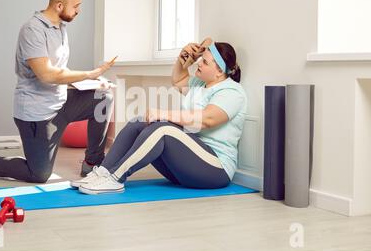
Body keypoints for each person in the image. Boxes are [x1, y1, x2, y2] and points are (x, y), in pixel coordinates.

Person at [0, 0, 115, 183]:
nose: (79, 10)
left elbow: (60, 71)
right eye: (76, 6)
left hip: (61, 104)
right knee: (39, 175)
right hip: (37, 115)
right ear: (59, 6)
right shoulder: (32, 30)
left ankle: (92, 164)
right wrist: (88, 74)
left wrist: (91, 82)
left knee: (103, 97)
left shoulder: (60, 28)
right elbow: (46, 75)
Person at [71, 40, 247, 194]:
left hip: (215, 169)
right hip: (190, 165)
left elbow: (207, 119)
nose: (199, 63)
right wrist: (182, 58)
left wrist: (163, 114)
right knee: (140, 122)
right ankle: (103, 172)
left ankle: (115, 179)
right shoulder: (201, 84)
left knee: (162, 129)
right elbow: (178, 80)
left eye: (205, 62)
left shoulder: (231, 91)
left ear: (219, 71)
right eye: (201, 60)